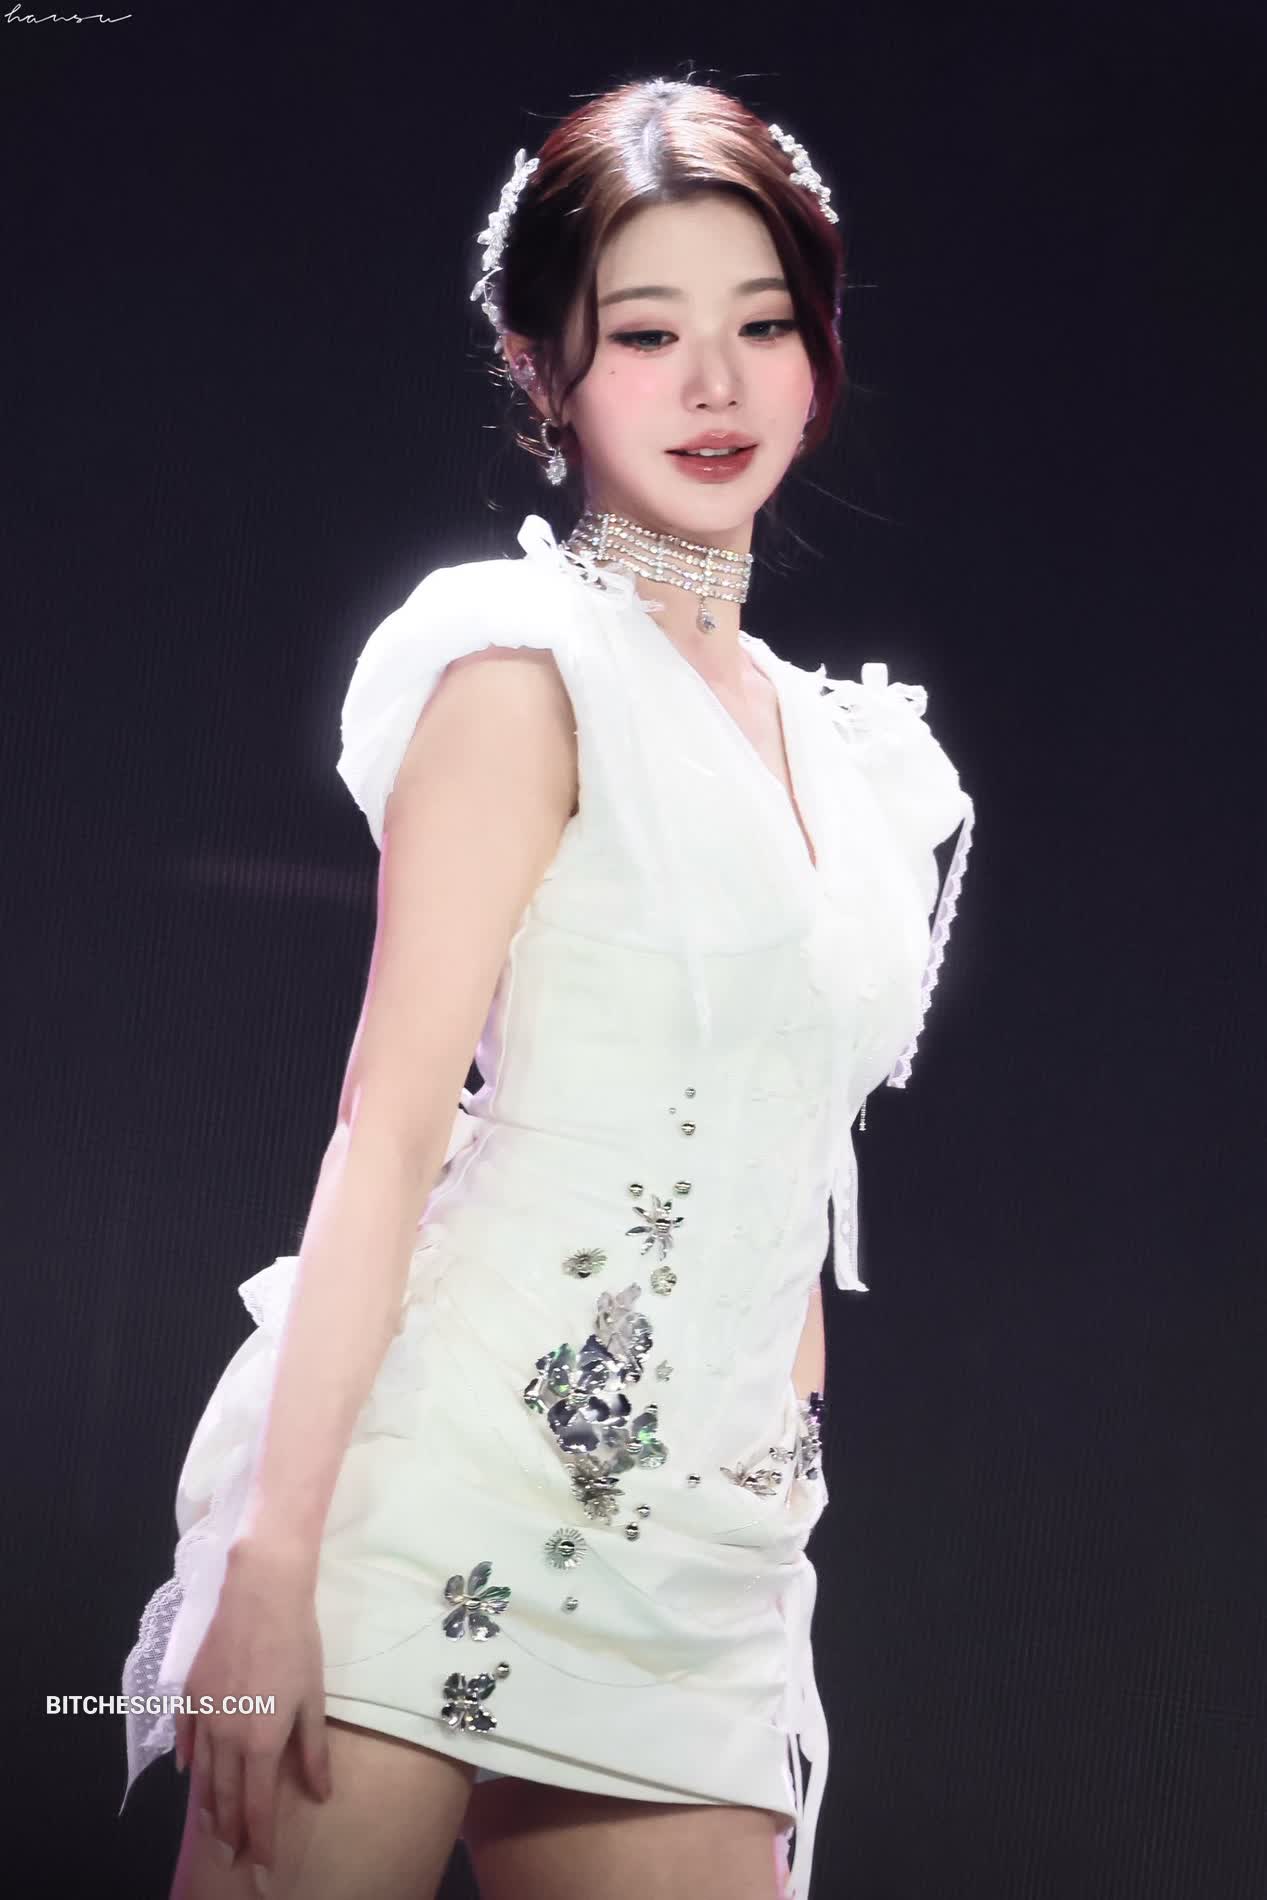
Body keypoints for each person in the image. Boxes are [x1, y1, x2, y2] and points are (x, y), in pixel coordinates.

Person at [119, 75, 974, 1900]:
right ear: (544, 370)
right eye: (648, 334)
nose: (715, 384)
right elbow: (388, 1124)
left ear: (819, 353)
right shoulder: (525, 671)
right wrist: (274, 1556)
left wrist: (775, 1505)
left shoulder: (857, 760)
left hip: (703, 1581)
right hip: (434, 1500)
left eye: (762, 326)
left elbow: (798, 1170)